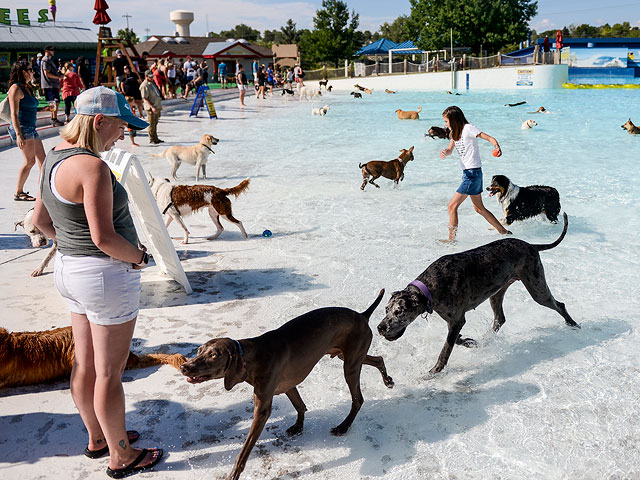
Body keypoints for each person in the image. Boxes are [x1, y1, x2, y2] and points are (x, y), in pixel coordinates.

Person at [32, 86, 163, 479]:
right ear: (100, 121)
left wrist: (70, 245)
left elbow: (39, 221)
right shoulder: (93, 167)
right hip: (105, 277)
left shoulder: (54, 157)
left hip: (70, 272)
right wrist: (141, 258)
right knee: (110, 373)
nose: (122, 135)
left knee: (85, 363)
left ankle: (98, 438)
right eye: (120, 126)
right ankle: (122, 456)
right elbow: (105, 238)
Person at [439, 106, 511, 242]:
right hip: (471, 174)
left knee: (452, 206)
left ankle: (451, 240)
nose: (445, 124)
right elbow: (450, 149)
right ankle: (504, 232)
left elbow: (488, 137)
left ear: (454, 120)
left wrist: (496, 146)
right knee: (479, 208)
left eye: (446, 121)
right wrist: (445, 152)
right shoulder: (454, 133)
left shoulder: (468, 128)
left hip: (472, 174)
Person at [7, 60, 46, 201]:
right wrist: (18, 134)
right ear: (23, 72)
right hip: (22, 128)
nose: (33, 72)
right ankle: (18, 192)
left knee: (43, 160)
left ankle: (43, 192)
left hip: (31, 127)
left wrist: (45, 109)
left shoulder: (27, 87)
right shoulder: (15, 89)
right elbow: (14, 114)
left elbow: (30, 106)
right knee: (30, 161)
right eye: (30, 69)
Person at [40, 45, 64, 126]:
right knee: (54, 102)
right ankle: (53, 119)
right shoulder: (45, 60)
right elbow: (46, 73)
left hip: (52, 85)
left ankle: (54, 118)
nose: (53, 51)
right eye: (51, 50)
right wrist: (58, 77)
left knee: (55, 102)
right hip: (50, 85)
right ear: (47, 51)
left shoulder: (49, 60)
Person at [140, 69, 164, 144]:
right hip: (151, 107)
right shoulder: (144, 85)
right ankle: (152, 139)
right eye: (150, 77)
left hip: (156, 105)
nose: (152, 78)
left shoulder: (152, 83)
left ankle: (155, 137)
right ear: (146, 76)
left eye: (152, 76)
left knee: (155, 123)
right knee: (151, 124)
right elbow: (145, 98)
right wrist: (152, 107)